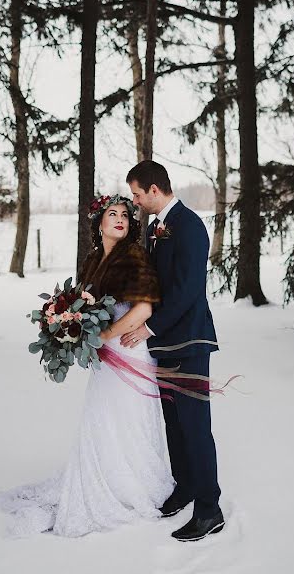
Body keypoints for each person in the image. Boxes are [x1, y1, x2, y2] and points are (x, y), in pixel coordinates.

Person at [0, 194, 174, 538]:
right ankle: (102, 472)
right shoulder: (93, 260)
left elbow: (143, 311)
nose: (120, 218)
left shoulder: (134, 256)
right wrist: (66, 326)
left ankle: (130, 486)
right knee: (102, 417)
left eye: (125, 214)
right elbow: (83, 304)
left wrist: (103, 335)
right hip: (104, 356)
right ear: (99, 222)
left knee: (126, 417)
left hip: (128, 349)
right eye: (113, 213)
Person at [122, 159, 225, 542]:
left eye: (136, 194)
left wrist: (148, 326)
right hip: (163, 345)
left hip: (190, 340)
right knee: (174, 424)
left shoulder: (190, 225)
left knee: (196, 427)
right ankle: (184, 487)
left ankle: (209, 509)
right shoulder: (153, 228)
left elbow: (187, 291)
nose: (134, 201)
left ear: (153, 189)